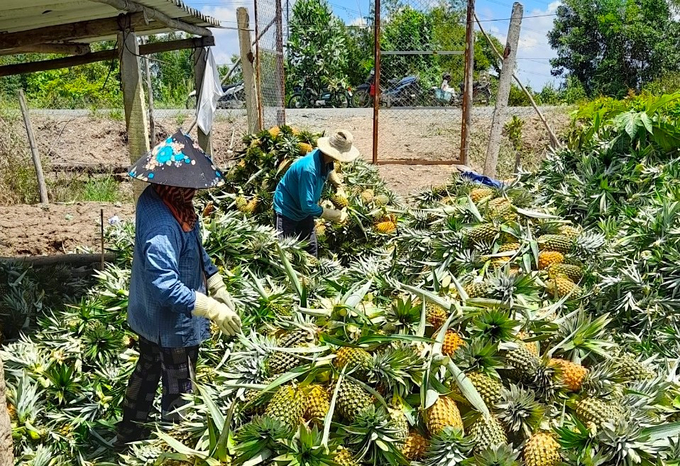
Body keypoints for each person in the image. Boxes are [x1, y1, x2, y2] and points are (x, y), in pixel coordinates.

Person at [114, 131, 241, 450]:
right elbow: (165, 287)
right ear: (179, 184)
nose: (196, 192)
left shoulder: (168, 200)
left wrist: (214, 279)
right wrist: (211, 308)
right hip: (170, 324)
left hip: (149, 318)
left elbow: (194, 245)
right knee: (180, 388)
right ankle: (175, 448)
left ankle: (130, 432)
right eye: (192, 186)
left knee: (147, 370)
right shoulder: (163, 225)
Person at [273, 129, 360, 257]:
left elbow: (330, 170)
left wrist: (338, 186)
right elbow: (307, 205)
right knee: (284, 254)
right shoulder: (309, 169)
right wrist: (333, 215)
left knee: (311, 250)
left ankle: (311, 274)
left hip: (304, 211)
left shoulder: (324, 158)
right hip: (287, 209)